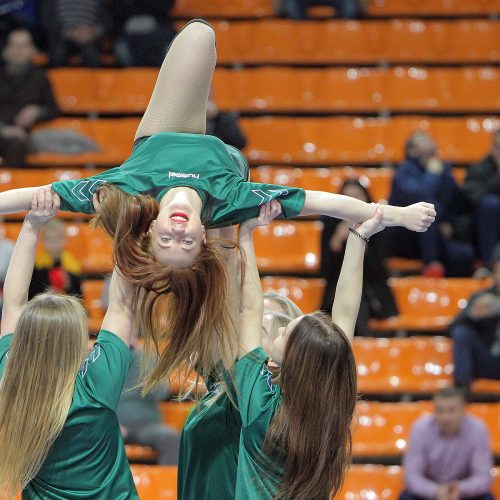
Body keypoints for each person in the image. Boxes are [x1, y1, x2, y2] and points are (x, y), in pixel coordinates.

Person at [0, 20, 436, 390]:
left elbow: (30, 196)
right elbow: (321, 202)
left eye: (167, 238)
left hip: (163, 131)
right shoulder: (226, 205)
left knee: (197, 34)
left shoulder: (126, 195)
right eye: (185, 241)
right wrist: (394, 215)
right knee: (223, 111)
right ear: (201, 236)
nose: (178, 229)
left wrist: (35, 210)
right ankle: (225, 141)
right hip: (227, 165)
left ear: (150, 231)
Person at [234, 200, 385, 499]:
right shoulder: (331, 411)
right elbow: (344, 313)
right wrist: (358, 239)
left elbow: (251, 306)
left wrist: (245, 233)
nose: (278, 329)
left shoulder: (260, 405)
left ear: (296, 361)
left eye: (285, 333)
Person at [0, 188, 139, 498]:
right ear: (76, 343)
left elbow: (12, 304)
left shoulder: (9, 379)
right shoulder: (94, 387)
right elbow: (121, 306)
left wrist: (32, 224)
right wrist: (121, 225)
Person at [389, 131, 474, 277]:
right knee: (428, 208)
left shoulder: (444, 170)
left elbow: (455, 202)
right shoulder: (403, 172)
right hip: (406, 236)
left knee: (465, 254)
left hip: (435, 235)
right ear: (411, 150)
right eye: (422, 140)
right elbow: (421, 197)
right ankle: (431, 263)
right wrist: (433, 174)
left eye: (429, 138)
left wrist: (449, 223)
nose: (429, 141)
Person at [320, 179, 397, 336]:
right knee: (348, 303)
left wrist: (361, 240)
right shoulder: (330, 224)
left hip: (371, 291)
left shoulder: (379, 226)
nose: (353, 201)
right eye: (347, 197)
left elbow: (379, 269)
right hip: (337, 289)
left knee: (357, 306)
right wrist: (336, 241)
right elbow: (325, 271)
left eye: (357, 196)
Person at [400, 387, 494, 500]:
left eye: (451, 410)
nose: (445, 417)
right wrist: (436, 491)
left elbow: (483, 477)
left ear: (463, 410)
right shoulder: (420, 429)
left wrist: (461, 488)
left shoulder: (478, 430)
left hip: (463, 493)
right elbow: (411, 476)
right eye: (440, 410)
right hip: (430, 493)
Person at [0, 28, 59, 166]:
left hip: (23, 138)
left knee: (17, 144)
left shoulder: (40, 77)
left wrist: (37, 110)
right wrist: (3, 129)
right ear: (5, 50)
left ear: (33, 49)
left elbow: (53, 108)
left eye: (24, 45)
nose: (19, 50)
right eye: (14, 45)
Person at [117, 345, 180, 466]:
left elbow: (161, 393)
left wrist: (150, 370)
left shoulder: (148, 358)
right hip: (111, 425)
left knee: (170, 437)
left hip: (145, 425)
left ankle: (168, 484)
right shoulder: (98, 359)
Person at [449, 244, 500, 390]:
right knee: (461, 333)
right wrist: (472, 315)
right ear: (494, 272)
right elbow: (452, 327)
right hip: (487, 360)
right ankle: (461, 392)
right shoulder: (481, 298)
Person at [463, 129, 500, 265]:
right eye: (498, 147)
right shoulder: (478, 169)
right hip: (482, 231)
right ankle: (491, 266)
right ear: (492, 147)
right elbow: (474, 198)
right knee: (491, 204)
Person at [39, 0, 106, 67]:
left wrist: (95, 31)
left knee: (92, 54)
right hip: (61, 36)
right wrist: (70, 33)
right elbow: (46, 21)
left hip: (89, 37)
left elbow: (107, 22)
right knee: (58, 54)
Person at [28, 218, 82, 299]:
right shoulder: (37, 266)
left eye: (58, 237)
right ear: (43, 240)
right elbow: (31, 294)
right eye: (49, 238)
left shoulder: (73, 266)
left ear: (65, 239)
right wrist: (46, 292)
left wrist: (69, 285)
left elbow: (79, 295)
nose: (54, 242)